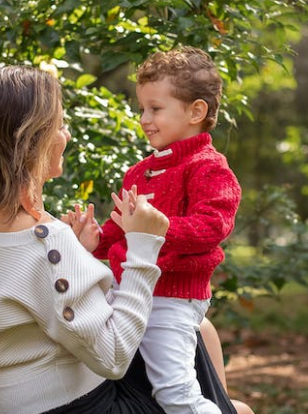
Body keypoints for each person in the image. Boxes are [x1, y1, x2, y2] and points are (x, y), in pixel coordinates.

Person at [0, 65, 172, 414]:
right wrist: (143, 247)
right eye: (60, 124)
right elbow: (114, 357)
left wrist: (76, 255)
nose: (67, 134)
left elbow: (29, 298)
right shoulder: (50, 244)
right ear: (31, 142)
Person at [64, 46, 242, 414]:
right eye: (142, 108)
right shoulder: (139, 172)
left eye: (156, 109)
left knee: (175, 395)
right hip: (126, 290)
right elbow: (121, 231)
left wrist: (155, 229)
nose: (144, 118)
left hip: (171, 298)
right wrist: (95, 241)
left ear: (196, 111)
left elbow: (213, 227)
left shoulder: (209, 168)